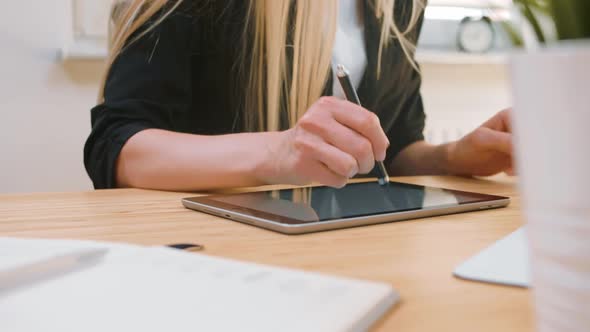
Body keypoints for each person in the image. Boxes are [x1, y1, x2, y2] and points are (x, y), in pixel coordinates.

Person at [84, 0, 514, 191]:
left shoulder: (400, 7)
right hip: (207, 253)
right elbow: (118, 147)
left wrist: (453, 157)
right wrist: (278, 153)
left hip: (336, 245)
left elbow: (392, 147)